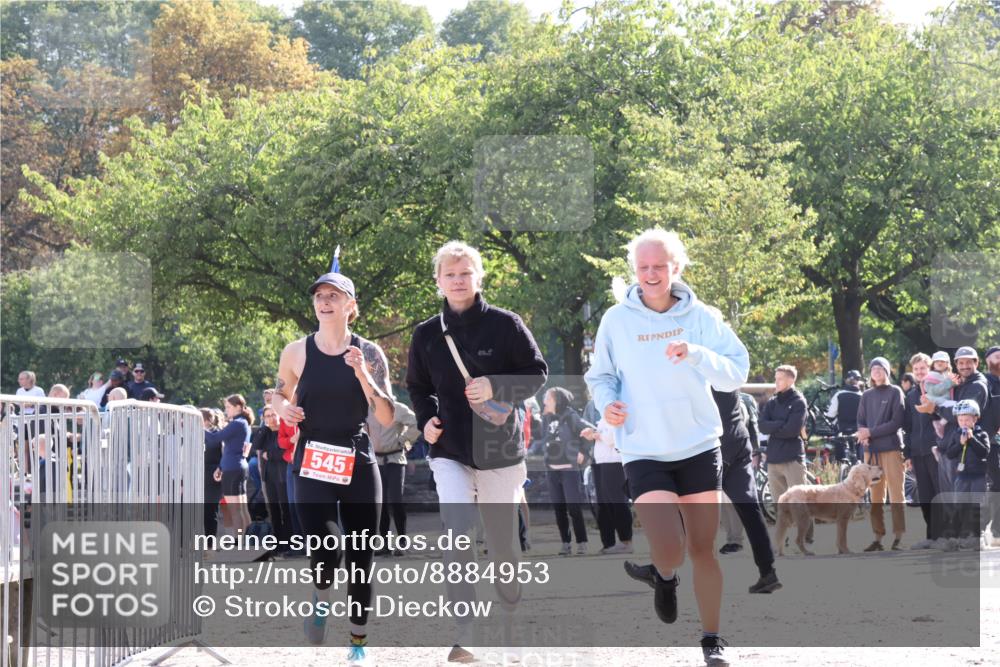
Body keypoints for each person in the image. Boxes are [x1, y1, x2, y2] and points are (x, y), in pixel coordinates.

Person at [585, 228, 748, 666]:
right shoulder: (616, 320)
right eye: (643, 267)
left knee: (702, 548)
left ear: (676, 268)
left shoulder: (703, 317)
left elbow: (736, 372)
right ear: (634, 271)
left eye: (660, 266)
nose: (651, 274)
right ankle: (663, 574)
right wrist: (608, 405)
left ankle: (712, 640)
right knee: (671, 547)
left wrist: (696, 353)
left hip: (697, 445)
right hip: (644, 448)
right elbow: (600, 376)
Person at [406, 241, 547, 663]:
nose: (458, 280)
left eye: (465, 273)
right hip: (448, 448)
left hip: (500, 450)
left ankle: (509, 615)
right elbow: (418, 387)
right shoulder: (426, 334)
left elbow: (537, 373)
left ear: (479, 276)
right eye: (449, 274)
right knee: (457, 532)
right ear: (437, 281)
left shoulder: (507, 325)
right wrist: (426, 419)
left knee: (502, 544)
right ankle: (466, 629)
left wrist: (496, 386)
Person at [272, 269, 394, 665]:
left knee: (362, 555)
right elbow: (275, 394)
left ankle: (358, 642)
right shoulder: (296, 351)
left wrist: (362, 373)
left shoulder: (370, 352)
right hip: (312, 459)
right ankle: (321, 597)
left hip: (357, 458)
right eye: (319, 296)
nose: (324, 301)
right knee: (328, 548)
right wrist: (282, 408)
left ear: (351, 306)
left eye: (334, 295)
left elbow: (387, 416)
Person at [917, 346, 989, 546]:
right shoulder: (960, 383)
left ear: (976, 363)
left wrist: (936, 408)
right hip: (951, 446)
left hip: (969, 451)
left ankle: (972, 537)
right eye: (961, 362)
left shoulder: (977, 386)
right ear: (955, 364)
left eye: (969, 362)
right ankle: (954, 537)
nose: (965, 366)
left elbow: (963, 415)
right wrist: (932, 407)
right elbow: (946, 408)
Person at [857, 357, 907, 551]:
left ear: (887, 371)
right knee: (875, 495)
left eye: (880, 368)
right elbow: (860, 420)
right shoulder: (866, 395)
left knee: (896, 493)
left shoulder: (896, 392)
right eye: (873, 369)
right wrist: (863, 434)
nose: (876, 371)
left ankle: (899, 536)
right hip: (871, 452)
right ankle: (878, 537)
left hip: (892, 449)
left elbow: (897, 422)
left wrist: (871, 432)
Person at [759, 365, 812, 545]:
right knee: (779, 504)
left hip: (792, 458)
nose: (776, 382)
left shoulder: (799, 401)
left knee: (799, 502)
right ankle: (785, 539)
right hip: (773, 458)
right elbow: (762, 426)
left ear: (791, 380)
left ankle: (806, 537)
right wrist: (780, 424)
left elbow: (792, 430)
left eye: (779, 379)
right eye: (775, 378)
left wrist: (774, 427)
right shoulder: (772, 402)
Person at [541, 387, 592, 555]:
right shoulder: (546, 418)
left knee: (574, 508)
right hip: (552, 471)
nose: (544, 401)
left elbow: (589, 431)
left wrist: (583, 454)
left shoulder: (571, 416)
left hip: (569, 470)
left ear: (557, 400)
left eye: (547, 398)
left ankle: (582, 542)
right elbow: (544, 439)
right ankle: (565, 543)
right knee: (559, 509)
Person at [369, 399, 420, 554]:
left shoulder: (397, 408)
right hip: (376, 461)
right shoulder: (367, 409)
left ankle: (402, 540)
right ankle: (384, 543)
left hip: (395, 459)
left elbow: (417, 425)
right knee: (381, 503)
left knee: (395, 500)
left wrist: (404, 442)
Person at [904, 353, 941, 547]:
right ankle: (931, 536)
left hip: (934, 450)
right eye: (916, 369)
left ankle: (943, 536)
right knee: (924, 495)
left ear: (930, 369)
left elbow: (943, 416)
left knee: (938, 492)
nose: (919, 372)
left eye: (923, 368)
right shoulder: (910, 395)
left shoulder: (938, 390)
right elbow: (908, 426)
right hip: (917, 452)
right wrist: (907, 454)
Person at [581, 417, 634, 554]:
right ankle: (608, 543)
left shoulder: (617, 412)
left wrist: (595, 435)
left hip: (614, 462)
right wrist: (593, 433)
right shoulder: (602, 417)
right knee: (603, 503)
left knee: (618, 502)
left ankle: (626, 542)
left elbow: (612, 438)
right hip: (600, 462)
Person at [942, 399, 990, 541]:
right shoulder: (956, 435)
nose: (963, 423)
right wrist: (960, 443)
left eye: (967, 419)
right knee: (960, 505)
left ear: (975, 419)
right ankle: (956, 536)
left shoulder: (982, 434)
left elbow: (984, 452)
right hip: (962, 476)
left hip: (978, 476)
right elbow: (950, 453)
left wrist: (972, 439)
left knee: (977, 505)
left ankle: (977, 535)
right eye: (960, 419)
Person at [205, 395, 253, 535]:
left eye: (228, 407)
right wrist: (220, 467)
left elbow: (214, 438)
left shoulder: (238, 423)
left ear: (238, 407)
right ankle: (248, 539)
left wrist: (199, 427)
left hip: (233, 468)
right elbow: (230, 448)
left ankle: (239, 541)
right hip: (236, 466)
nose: (226, 411)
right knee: (241, 508)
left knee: (235, 509)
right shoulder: (242, 422)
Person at [253, 405, 291, 551]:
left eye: (273, 415)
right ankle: (277, 542)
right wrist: (264, 427)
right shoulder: (265, 432)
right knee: (273, 509)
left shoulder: (285, 429)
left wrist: (269, 455)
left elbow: (284, 451)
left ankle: (288, 541)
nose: (271, 419)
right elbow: (256, 445)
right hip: (269, 475)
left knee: (285, 508)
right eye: (267, 416)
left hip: (283, 474)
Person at [983, 346, 1000, 547]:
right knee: (995, 484)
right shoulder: (984, 382)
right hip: (992, 442)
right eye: (997, 356)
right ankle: (984, 528)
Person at [826, 370, 863, 461]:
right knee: (859, 454)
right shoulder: (863, 396)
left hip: (842, 429)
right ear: (859, 381)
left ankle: (841, 464)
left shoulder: (839, 395)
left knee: (840, 449)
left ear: (846, 381)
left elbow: (831, 415)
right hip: (858, 430)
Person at [201, 408, 224, 541]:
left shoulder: (218, 433)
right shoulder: (194, 433)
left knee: (210, 510)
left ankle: (210, 542)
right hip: (200, 474)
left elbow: (223, 452)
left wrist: (220, 469)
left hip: (213, 474)